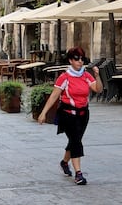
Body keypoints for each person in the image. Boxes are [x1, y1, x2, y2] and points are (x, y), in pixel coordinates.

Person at [38, 46, 103, 185]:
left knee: (75, 140)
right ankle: (78, 174)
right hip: (67, 114)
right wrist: (43, 113)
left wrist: (97, 76)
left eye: (82, 59)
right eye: (76, 59)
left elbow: (98, 89)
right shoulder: (64, 77)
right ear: (70, 60)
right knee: (76, 142)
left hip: (83, 114)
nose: (80, 61)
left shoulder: (86, 75)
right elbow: (54, 96)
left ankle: (64, 162)